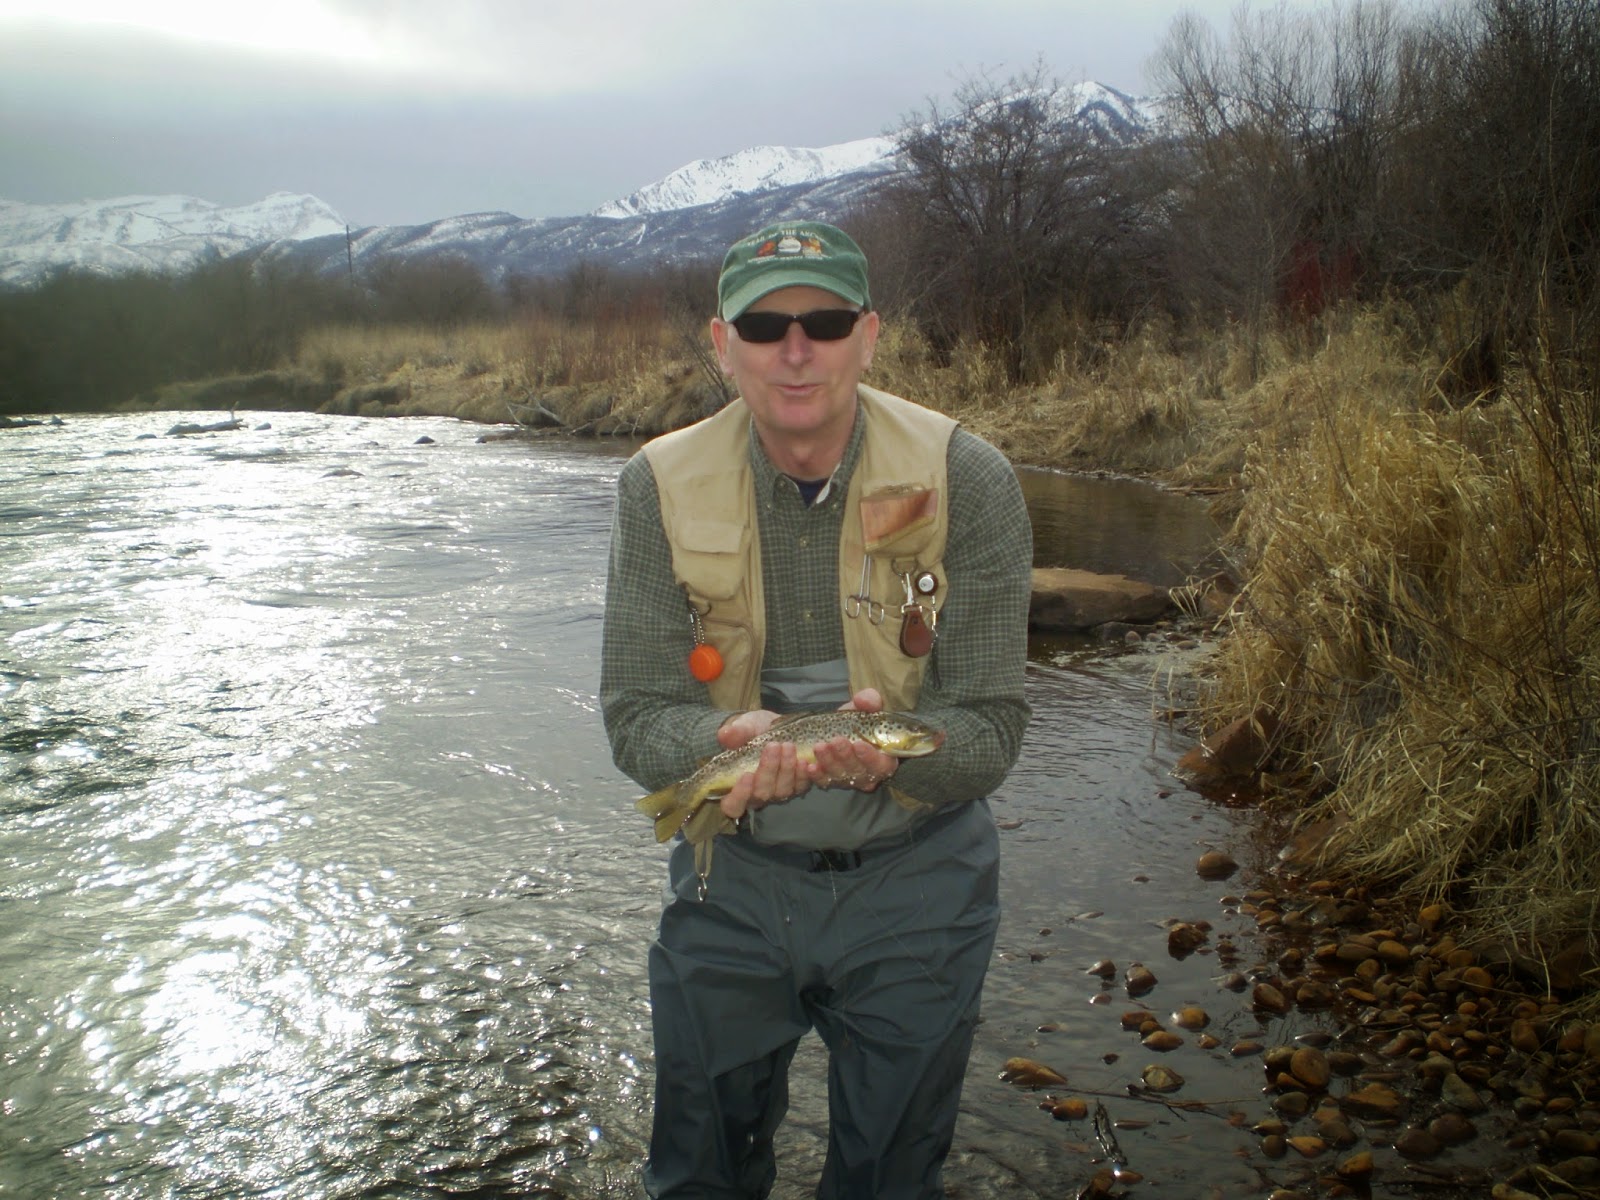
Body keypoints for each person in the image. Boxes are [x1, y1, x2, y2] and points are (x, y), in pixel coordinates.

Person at [600, 219, 1032, 1199]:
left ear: (869, 336)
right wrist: (724, 742)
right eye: (764, 327)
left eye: (825, 323)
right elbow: (634, 715)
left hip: (920, 883)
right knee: (698, 1175)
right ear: (723, 345)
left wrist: (901, 758)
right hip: (730, 877)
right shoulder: (655, 486)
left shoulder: (969, 477)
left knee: (889, 1180)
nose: (795, 351)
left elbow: (992, 727)